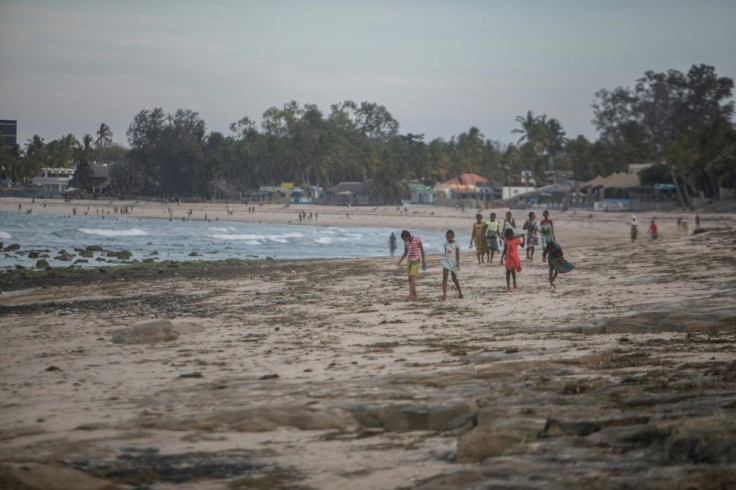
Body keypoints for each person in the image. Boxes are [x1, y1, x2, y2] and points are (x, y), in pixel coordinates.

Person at [397, 230, 426, 301]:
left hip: (416, 261)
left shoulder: (417, 240)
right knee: (410, 279)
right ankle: (415, 295)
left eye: (404, 239)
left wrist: (424, 261)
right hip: (409, 261)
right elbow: (405, 252)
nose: (404, 240)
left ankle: (410, 296)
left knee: (412, 278)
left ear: (408, 236)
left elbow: (422, 250)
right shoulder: (406, 242)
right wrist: (400, 261)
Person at [442, 230, 463, 300]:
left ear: (453, 237)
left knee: (454, 279)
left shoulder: (456, 244)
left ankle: (460, 292)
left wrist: (458, 264)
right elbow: (446, 254)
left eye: (449, 237)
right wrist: (445, 261)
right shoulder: (445, 244)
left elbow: (457, 254)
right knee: (445, 278)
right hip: (446, 263)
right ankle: (444, 295)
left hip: (453, 263)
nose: (448, 239)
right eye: (446, 237)